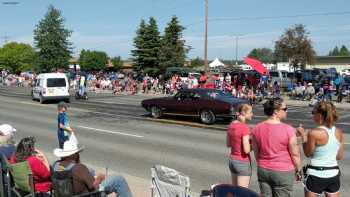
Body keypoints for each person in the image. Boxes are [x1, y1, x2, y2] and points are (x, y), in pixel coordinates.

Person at [252, 98, 301, 197]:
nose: (287, 111)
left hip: (263, 169)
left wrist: (263, 164)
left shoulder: (256, 128)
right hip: (282, 172)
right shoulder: (289, 130)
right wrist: (298, 170)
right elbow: (295, 154)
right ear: (275, 111)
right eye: (285, 109)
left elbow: (256, 153)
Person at [53, 141, 133, 197]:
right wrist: (100, 178)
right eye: (77, 153)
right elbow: (95, 187)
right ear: (75, 155)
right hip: (86, 195)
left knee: (91, 171)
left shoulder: (55, 165)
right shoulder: (79, 168)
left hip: (67, 193)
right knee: (118, 179)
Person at [297, 101, 344, 197]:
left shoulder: (314, 133)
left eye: (313, 112)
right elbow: (339, 156)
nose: (313, 115)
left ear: (320, 115)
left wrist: (303, 136)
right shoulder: (339, 132)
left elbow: (308, 153)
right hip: (333, 174)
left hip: (316, 174)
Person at [226, 104, 253, 188]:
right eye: (250, 112)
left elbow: (228, 144)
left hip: (232, 161)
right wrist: (254, 145)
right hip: (242, 162)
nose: (252, 114)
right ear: (244, 113)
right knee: (242, 192)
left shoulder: (231, 125)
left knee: (235, 190)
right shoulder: (245, 127)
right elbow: (246, 150)